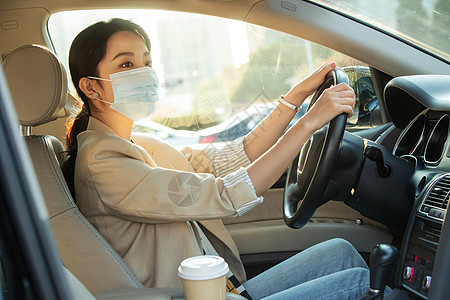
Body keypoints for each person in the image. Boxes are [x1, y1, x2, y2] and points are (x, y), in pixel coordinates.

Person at [63, 18, 370, 299]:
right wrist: (308, 124)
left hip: (222, 290)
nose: (145, 73)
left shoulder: (139, 144)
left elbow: (235, 156)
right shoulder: (102, 161)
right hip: (184, 295)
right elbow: (225, 193)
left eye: (147, 62)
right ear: (91, 87)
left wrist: (294, 99)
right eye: (127, 64)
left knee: (342, 252)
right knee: (358, 281)